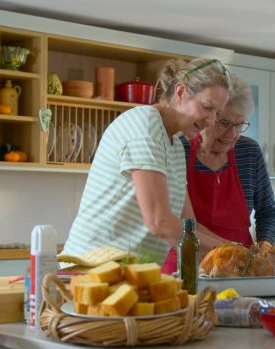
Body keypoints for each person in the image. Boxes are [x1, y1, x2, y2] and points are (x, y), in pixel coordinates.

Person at [61, 58, 232, 262]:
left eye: (216, 113)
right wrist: (230, 253)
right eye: (207, 107)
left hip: (128, 274)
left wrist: (237, 250)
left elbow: (188, 224)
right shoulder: (145, 125)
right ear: (180, 92)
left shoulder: (175, 145)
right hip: (90, 271)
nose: (211, 121)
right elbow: (160, 222)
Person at [162, 74, 275, 273]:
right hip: (186, 264)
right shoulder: (177, 150)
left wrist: (264, 248)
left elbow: (268, 212)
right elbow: (173, 221)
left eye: (239, 124)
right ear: (207, 117)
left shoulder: (249, 153)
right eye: (224, 123)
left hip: (239, 266)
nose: (232, 134)